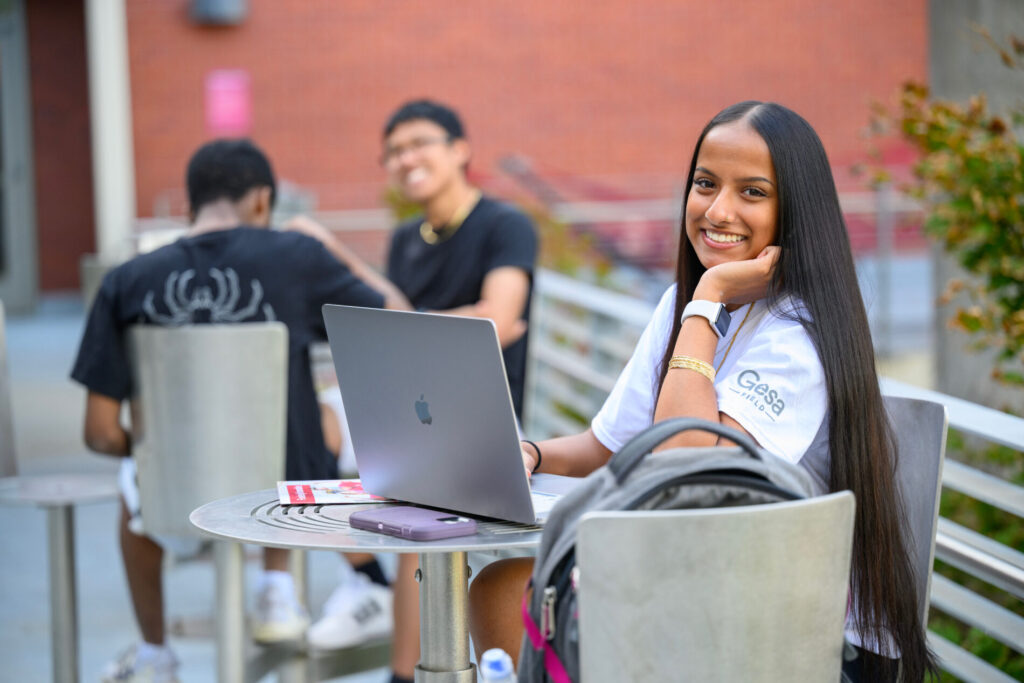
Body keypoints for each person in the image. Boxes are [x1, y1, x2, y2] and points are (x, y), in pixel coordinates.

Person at [466, 101, 936, 682]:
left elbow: (689, 468)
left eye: (753, 192)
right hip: (704, 584)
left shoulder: (797, 335)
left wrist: (709, 295)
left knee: (514, 590)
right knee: (500, 585)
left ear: (796, 213)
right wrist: (529, 455)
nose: (718, 210)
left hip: (796, 638)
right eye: (705, 184)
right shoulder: (684, 307)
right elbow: (607, 448)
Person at [71, 138, 410, 683]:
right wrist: (330, 246)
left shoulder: (125, 282)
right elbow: (400, 320)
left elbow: (100, 432)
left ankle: (155, 652)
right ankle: (277, 589)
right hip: (283, 504)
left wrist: (154, 448)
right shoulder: (298, 259)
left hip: (173, 504)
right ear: (262, 201)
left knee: (132, 482)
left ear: (190, 205)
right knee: (317, 413)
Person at [301, 99, 538, 683]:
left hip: (474, 412)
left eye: (419, 143)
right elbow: (400, 322)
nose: (406, 159)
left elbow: (499, 319)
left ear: (461, 149)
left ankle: (406, 672)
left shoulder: (504, 225)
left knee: (422, 512)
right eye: (394, 151)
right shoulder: (409, 238)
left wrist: (421, 326)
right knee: (302, 424)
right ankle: (367, 579)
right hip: (409, 401)